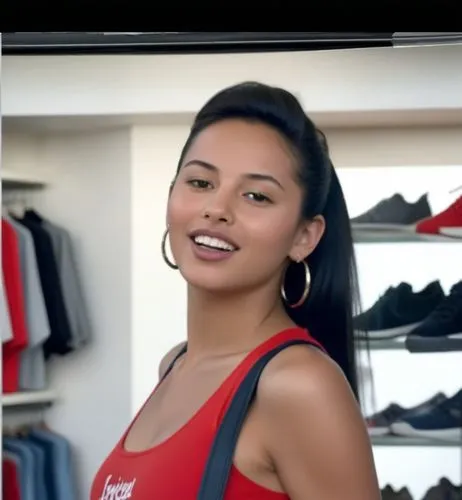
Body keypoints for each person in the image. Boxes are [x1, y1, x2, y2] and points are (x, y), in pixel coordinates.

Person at [91, 81, 381, 499]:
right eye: (201, 183)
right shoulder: (174, 365)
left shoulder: (298, 385)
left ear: (304, 236)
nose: (217, 210)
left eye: (256, 195)